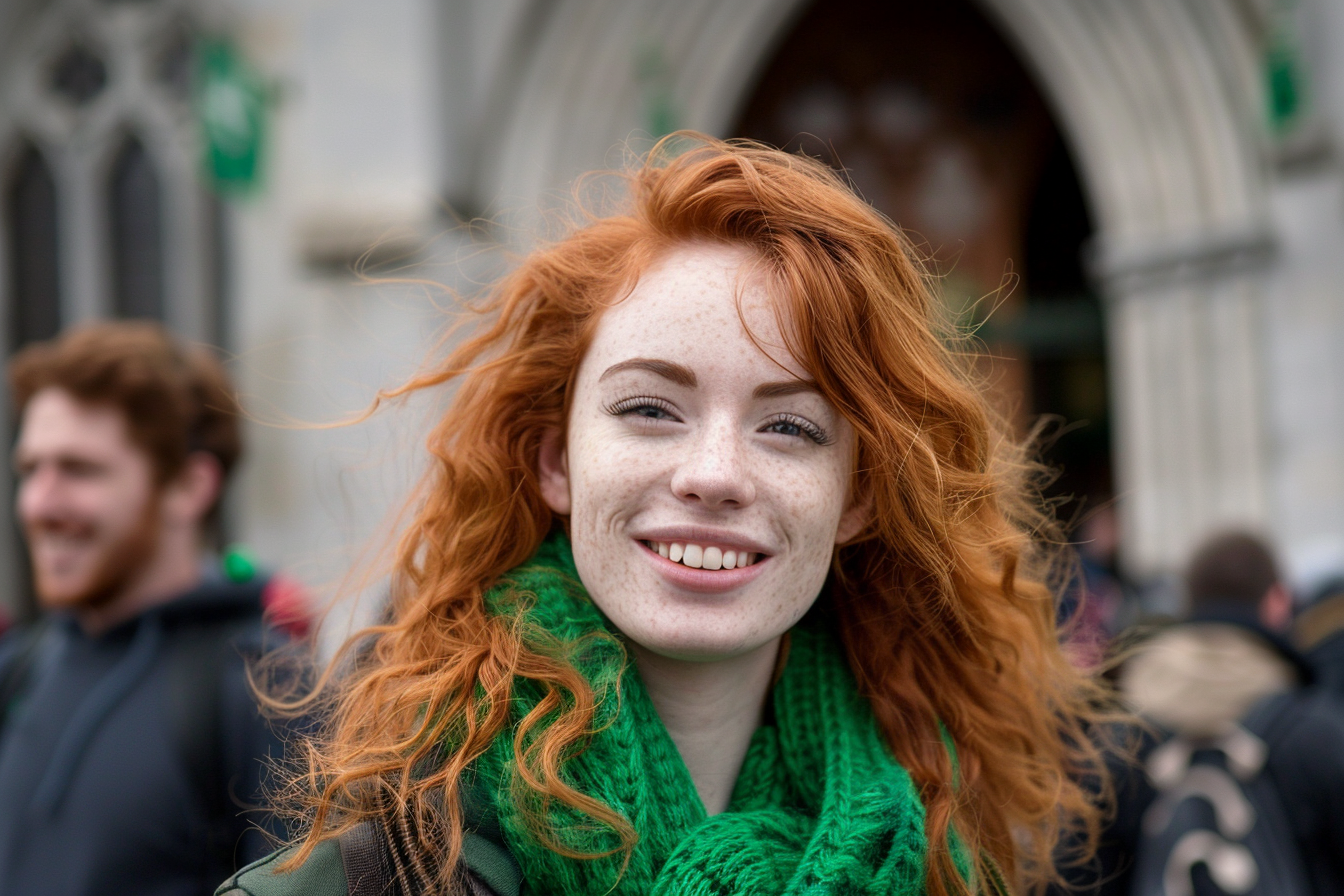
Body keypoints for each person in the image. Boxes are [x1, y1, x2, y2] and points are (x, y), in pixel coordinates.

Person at [220, 135, 1110, 896]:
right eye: (649, 409)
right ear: (556, 460)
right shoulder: (388, 872)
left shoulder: (949, 863)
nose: (715, 474)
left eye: (790, 426)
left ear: (860, 498)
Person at [0, 322, 295, 895]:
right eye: (29, 470)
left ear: (189, 487)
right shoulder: (20, 671)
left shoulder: (269, 695)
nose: (39, 504)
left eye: (79, 470)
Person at [1067, 531, 1344, 895]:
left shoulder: (1121, 744)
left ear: (1187, 605)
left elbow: (1071, 876)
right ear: (1278, 603)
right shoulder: (1316, 732)